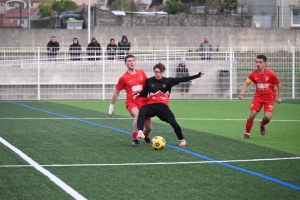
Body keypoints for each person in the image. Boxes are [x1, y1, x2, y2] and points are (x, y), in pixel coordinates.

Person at [135, 63, 205, 147]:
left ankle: (182, 140)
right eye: (156, 72)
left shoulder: (168, 81)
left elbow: (183, 79)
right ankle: (140, 132)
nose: (158, 74)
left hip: (163, 107)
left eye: (160, 72)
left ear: (163, 72)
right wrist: (138, 93)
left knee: (173, 123)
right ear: (153, 71)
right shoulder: (149, 81)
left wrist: (197, 75)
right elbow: (144, 93)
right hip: (151, 106)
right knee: (142, 110)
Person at [108, 54, 152, 147]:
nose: (131, 62)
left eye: (133, 60)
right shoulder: (123, 78)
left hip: (145, 101)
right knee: (138, 114)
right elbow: (117, 92)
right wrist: (111, 106)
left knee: (149, 128)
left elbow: (149, 86)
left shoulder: (142, 73)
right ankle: (135, 139)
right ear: (125, 64)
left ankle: (145, 135)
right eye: (129, 61)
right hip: (132, 102)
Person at [239, 55, 282, 139]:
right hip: (258, 97)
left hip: (269, 97)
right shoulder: (253, 74)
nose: (258, 64)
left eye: (260, 62)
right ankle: (247, 133)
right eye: (257, 62)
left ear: (265, 63)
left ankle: (262, 124)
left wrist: (279, 97)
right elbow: (247, 83)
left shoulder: (271, 73)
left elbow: (279, 83)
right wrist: (242, 93)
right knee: (252, 115)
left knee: (267, 117)